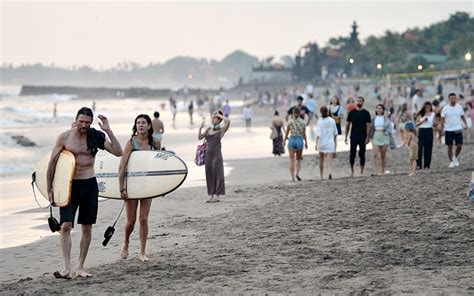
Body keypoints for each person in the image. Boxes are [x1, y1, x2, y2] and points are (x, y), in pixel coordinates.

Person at [46, 107, 122, 279]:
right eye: (81, 121)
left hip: (89, 185)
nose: (84, 125)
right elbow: (51, 164)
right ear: (76, 119)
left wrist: (108, 130)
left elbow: (118, 152)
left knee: (86, 227)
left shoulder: (95, 136)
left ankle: (80, 267)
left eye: (87, 122)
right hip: (69, 186)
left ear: (91, 122)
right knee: (65, 226)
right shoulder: (65, 137)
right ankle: (67, 268)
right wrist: (50, 189)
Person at [119, 114, 161, 262]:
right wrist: (121, 188)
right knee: (131, 222)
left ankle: (142, 252)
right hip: (132, 185)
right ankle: (126, 242)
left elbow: (157, 167)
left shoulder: (155, 143)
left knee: (143, 218)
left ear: (149, 126)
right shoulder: (131, 143)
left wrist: (162, 187)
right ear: (136, 126)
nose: (141, 125)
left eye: (143, 122)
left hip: (147, 184)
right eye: (138, 123)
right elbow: (122, 166)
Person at [198, 110, 230, 203]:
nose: (213, 119)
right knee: (209, 174)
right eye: (213, 117)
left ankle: (217, 195)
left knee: (218, 174)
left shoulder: (221, 130)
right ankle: (211, 195)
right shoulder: (209, 129)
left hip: (217, 154)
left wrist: (219, 114)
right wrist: (200, 128)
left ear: (219, 119)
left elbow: (228, 121)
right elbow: (200, 137)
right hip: (208, 155)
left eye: (215, 118)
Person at [345, 96, 371, 177]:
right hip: (353, 136)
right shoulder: (351, 113)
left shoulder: (366, 113)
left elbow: (368, 126)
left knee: (362, 154)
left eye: (360, 101)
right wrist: (345, 136)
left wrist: (367, 137)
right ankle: (352, 171)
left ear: (363, 102)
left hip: (362, 136)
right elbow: (348, 125)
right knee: (352, 154)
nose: (359, 102)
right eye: (358, 101)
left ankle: (361, 172)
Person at [440, 93, 468, 168]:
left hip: (458, 129)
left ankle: (455, 157)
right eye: (451, 98)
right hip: (448, 129)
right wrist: (442, 129)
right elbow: (442, 120)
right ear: (449, 99)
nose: (453, 100)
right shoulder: (445, 108)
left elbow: (462, 116)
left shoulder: (459, 107)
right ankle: (451, 161)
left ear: (456, 99)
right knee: (449, 146)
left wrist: (465, 124)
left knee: (459, 146)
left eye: (454, 98)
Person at [284, 107, 308, 181]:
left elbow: (287, 132)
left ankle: (292, 177)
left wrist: (284, 140)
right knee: (299, 159)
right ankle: (297, 173)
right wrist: (306, 142)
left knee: (291, 160)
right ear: (300, 113)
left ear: (293, 113)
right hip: (299, 140)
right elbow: (304, 134)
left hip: (292, 139)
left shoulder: (290, 121)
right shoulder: (303, 122)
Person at [315, 106, 338, 180]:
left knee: (321, 159)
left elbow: (318, 134)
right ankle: (330, 172)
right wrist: (335, 144)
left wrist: (316, 144)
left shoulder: (320, 121)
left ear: (321, 112)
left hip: (321, 142)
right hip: (330, 142)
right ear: (328, 112)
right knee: (329, 159)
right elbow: (335, 133)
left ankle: (321, 176)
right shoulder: (332, 120)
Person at [369, 104, 392, 175]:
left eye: (380, 108)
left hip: (384, 136)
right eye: (377, 108)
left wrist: (386, 117)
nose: (379, 110)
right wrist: (369, 137)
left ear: (383, 110)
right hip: (376, 136)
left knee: (383, 155)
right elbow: (371, 128)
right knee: (374, 154)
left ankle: (382, 171)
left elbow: (390, 128)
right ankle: (374, 171)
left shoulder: (386, 119)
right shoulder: (374, 119)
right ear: (376, 110)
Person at [415, 101, 435, 169]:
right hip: (422, 130)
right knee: (420, 148)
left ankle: (427, 165)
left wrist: (435, 124)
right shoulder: (420, 114)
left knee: (428, 148)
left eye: (429, 107)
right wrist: (422, 121)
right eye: (426, 107)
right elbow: (416, 124)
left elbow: (435, 123)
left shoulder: (433, 114)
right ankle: (418, 164)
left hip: (429, 130)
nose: (427, 109)